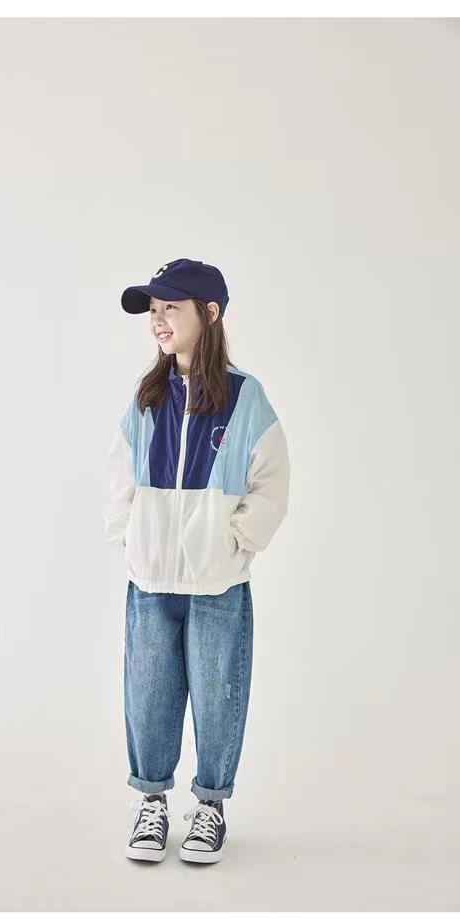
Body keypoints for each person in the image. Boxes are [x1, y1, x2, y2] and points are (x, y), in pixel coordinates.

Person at [104, 258, 291, 864]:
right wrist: (131, 537)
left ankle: (210, 807)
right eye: (153, 311)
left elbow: (271, 481)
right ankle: (151, 802)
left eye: (171, 308)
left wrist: (236, 540)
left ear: (209, 313)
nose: (158, 320)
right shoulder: (147, 395)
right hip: (151, 578)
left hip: (218, 584)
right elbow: (120, 475)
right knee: (149, 693)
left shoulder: (244, 397)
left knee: (218, 694)